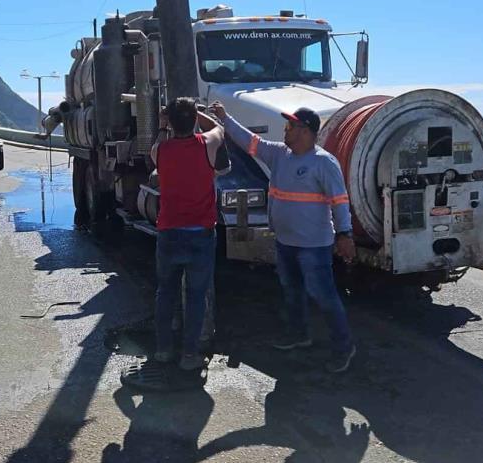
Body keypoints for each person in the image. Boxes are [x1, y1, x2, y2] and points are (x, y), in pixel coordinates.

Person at [211, 102, 357, 373]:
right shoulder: (279, 154)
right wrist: (224, 118)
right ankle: (299, 335)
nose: (285, 131)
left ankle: (343, 346)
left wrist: (345, 234)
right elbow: (249, 142)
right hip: (286, 242)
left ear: (305, 131)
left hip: (314, 246)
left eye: (290, 127)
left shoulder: (323, 163)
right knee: (292, 292)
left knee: (324, 296)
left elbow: (339, 201)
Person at [151, 97, 228, 370]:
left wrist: (162, 124)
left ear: (170, 122)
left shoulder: (160, 151)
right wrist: (200, 113)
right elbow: (219, 127)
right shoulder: (206, 145)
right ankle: (189, 355)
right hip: (201, 235)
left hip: (169, 233)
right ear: (193, 118)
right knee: (196, 297)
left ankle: (162, 350)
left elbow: (158, 143)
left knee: (166, 293)